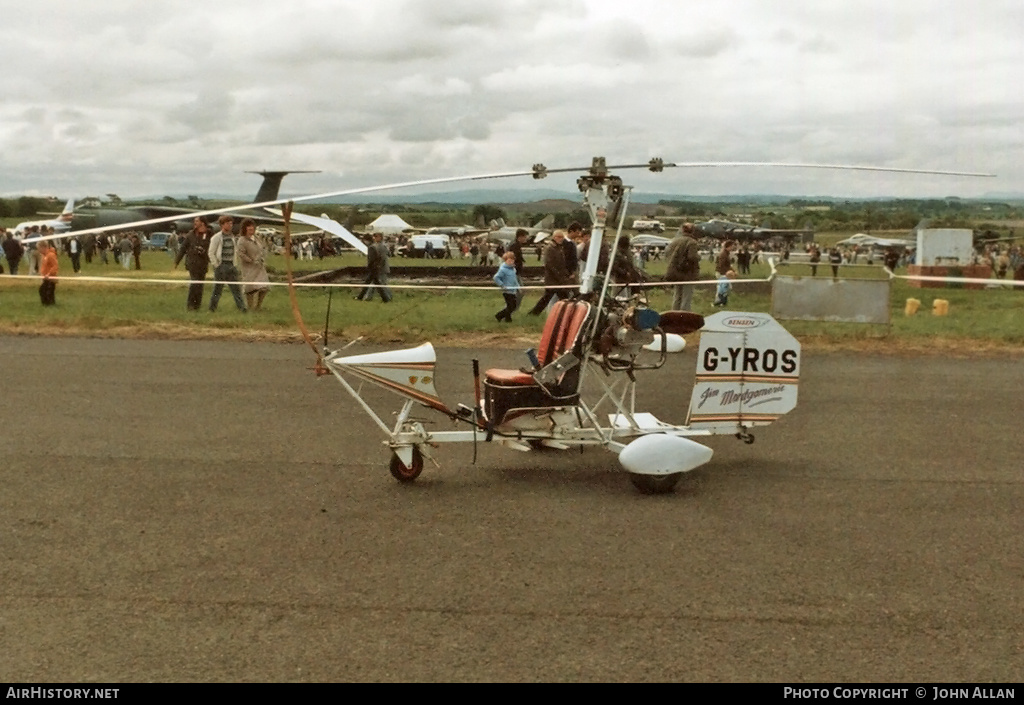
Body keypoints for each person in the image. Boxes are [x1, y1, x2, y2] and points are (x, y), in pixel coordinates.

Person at [528, 230, 574, 315]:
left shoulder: (559, 247)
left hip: (557, 278)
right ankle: (566, 312)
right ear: (554, 237)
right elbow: (550, 264)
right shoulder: (550, 248)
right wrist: (559, 276)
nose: (561, 239)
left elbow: (562, 263)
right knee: (558, 296)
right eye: (559, 237)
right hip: (552, 278)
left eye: (562, 237)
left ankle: (535, 313)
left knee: (550, 297)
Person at [207, 215, 247, 312]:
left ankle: (242, 308)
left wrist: (234, 264)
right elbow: (211, 252)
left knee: (236, 289)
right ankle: (212, 309)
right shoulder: (216, 238)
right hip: (221, 265)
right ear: (222, 225)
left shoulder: (232, 237)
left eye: (231, 223)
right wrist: (217, 265)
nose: (230, 225)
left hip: (231, 265)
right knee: (217, 290)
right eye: (228, 223)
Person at [174, 217, 212, 311]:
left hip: (203, 263)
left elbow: (212, 247)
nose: (194, 223)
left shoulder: (210, 234)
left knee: (200, 286)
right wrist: (176, 261)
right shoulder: (191, 234)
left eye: (197, 221)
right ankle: (190, 305)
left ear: (202, 223)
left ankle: (197, 306)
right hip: (192, 263)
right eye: (194, 221)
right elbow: (183, 248)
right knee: (194, 284)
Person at [664, 223, 701, 311]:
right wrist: (699, 257)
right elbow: (692, 257)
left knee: (677, 296)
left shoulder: (674, 241)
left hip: (675, 272)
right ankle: (684, 317)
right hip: (688, 273)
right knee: (686, 297)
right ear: (693, 231)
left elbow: (667, 253)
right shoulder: (692, 242)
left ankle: (674, 315)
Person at [236, 218, 270, 311]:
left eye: (252, 227)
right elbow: (240, 253)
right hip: (249, 268)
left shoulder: (257, 238)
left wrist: (262, 257)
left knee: (264, 287)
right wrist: (250, 260)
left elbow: (262, 248)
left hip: (259, 267)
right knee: (250, 289)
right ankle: (250, 307)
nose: (251, 228)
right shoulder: (242, 240)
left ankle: (258, 306)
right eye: (249, 227)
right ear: (245, 228)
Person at [356, 232, 392, 302]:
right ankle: (368, 297)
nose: (374, 238)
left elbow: (381, 258)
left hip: (380, 268)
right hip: (379, 268)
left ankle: (388, 297)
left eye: (376, 237)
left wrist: (377, 266)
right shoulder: (382, 246)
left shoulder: (377, 246)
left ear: (380, 238)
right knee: (375, 283)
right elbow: (389, 254)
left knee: (382, 284)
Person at [493, 251, 521, 322]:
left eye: (512, 260)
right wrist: (502, 285)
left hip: (513, 290)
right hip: (507, 291)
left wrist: (518, 287)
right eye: (509, 260)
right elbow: (496, 277)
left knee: (512, 306)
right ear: (505, 260)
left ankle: (508, 319)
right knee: (511, 306)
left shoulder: (513, 269)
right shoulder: (503, 269)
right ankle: (499, 315)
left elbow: (514, 279)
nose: (511, 261)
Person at [38, 240, 59, 306]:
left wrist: (49, 274)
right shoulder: (44, 256)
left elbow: (55, 266)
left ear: (44, 247)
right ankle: (46, 304)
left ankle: (49, 305)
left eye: (39, 248)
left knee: (47, 292)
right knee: (43, 290)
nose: (39, 250)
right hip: (46, 278)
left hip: (51, 278)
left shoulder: (51, 255)